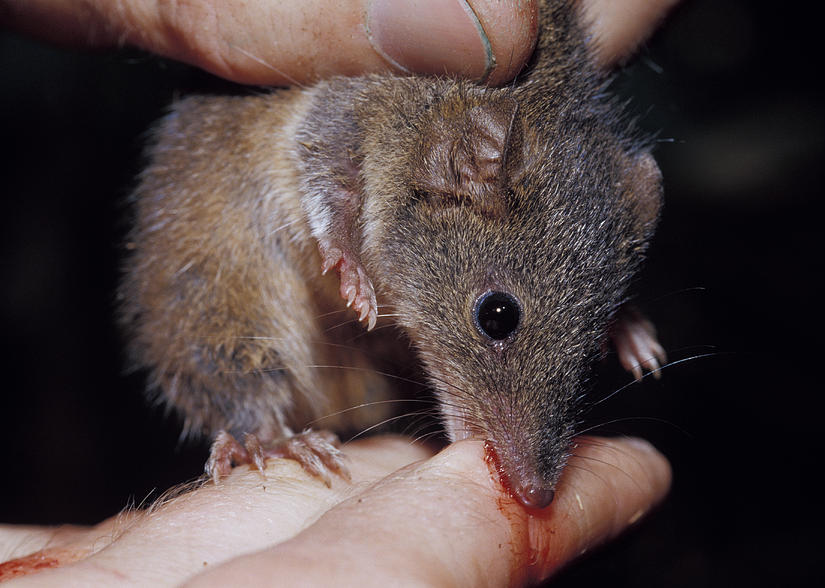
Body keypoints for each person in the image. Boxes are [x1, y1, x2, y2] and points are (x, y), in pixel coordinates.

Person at [0, 1, 677, 584]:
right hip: (252, 272)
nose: (536, 478)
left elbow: (580, 233)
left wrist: (606, 312)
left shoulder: (550, 182)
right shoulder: (438, 129)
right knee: (213, 241)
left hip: (367, 368)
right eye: (494, 316)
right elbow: (326, 129)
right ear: (461, 166)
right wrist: (341, 240)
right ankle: (249, 421)